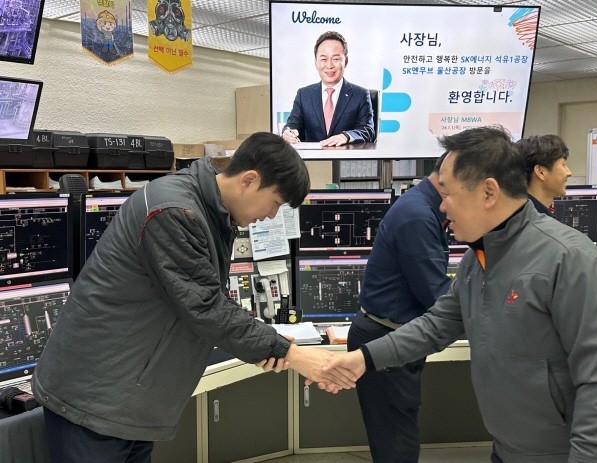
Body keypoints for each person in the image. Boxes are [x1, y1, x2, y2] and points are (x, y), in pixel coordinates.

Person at [324, 126, 597, 463]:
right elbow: (436, 325)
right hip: (511, 452)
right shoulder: (479, 259)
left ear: (489, 192)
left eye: (448, 193)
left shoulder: (571, 260)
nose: (442, 207)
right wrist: (363, 359)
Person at [32, 132, 355, 462]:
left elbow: (204, 299)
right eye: (274, 203)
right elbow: (206, 308)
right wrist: (292, 354)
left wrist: (269, 343)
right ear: (249, 180)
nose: (272, 216)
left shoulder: (210, 211)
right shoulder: (174, 211)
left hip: (127, 399)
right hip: (94, 399)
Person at [349, 153, 452, 462]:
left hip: (391, 334)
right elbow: (436, 293)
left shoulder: (421, 206)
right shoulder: (418, 216)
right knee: (397, 446)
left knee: (396, 438)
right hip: (386, 338)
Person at [516, 134, 597, 350]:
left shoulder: (532, 224)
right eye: (563, 164)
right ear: (540, 172)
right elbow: (550, 310)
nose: (569, 172)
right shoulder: (536, 233)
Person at [282, 31, 375, 147]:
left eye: (335, 59)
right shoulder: (303, 94)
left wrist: (346, 136)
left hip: (345, 157)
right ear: (316, 62)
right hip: (312, 158)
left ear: (345, 61)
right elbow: (292, 125)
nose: (329, 65)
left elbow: (368, 130)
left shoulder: (360, 94)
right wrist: (289, 132)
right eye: (324, 59)